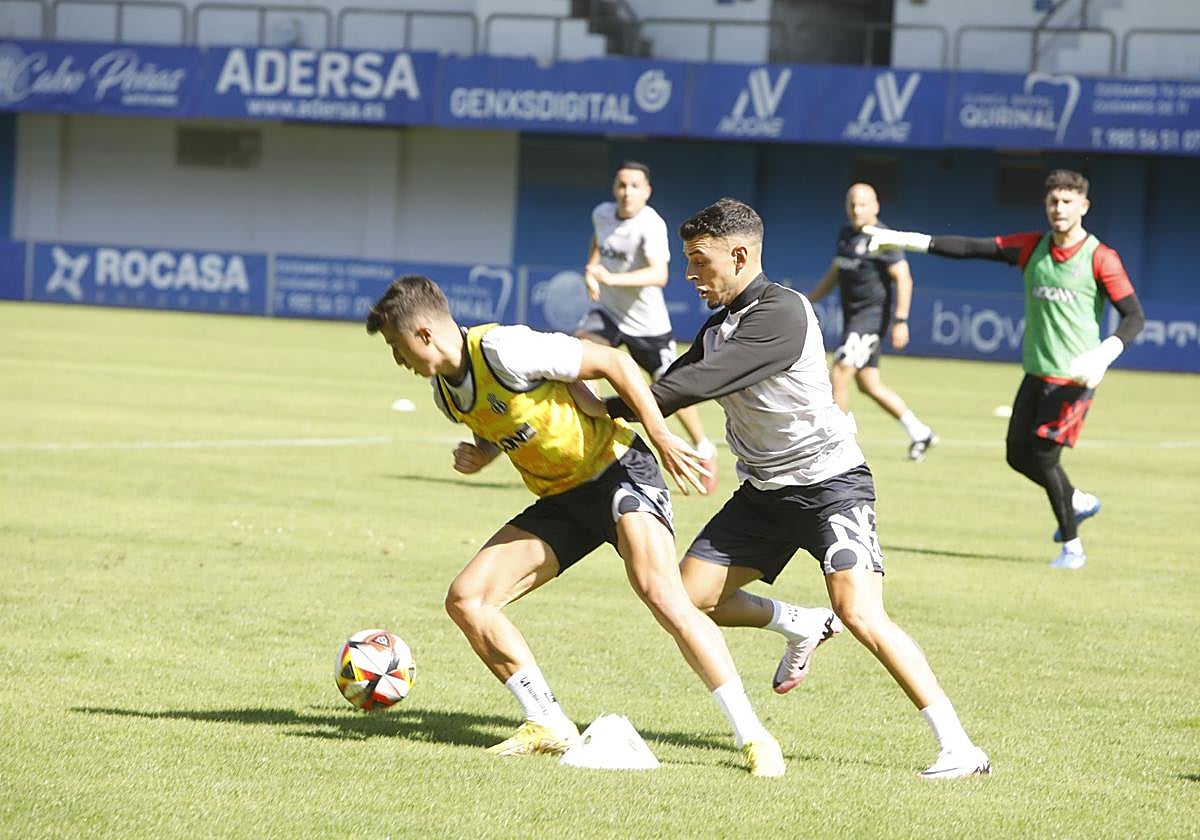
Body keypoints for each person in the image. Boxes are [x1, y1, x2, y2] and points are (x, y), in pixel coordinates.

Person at [604, 198, 991, 780]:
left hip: (831, 484)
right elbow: (673, 382)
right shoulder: (717, 327)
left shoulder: (783, 313)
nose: (690, 275)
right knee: (687, 596)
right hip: (763, 494)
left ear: (739, 255)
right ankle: (799, 623)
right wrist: (599, 405)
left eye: (698, 261)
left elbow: (693, 387)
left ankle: (960, 748)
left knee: (859, 611)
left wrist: (592, 397)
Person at [366, 274, 797, 777]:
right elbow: (505, 424)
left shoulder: (505, 349)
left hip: (618, 472)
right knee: (468, 599)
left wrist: (659, 434)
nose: (399, 361)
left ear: (423, 334)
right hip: (561, 500)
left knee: (661, 592)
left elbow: (612, 361)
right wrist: (482, 454)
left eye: (397, 348)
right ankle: (547, 722)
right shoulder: (447, 395)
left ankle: (754, 736)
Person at [864, 169, 1145, 571]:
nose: (1059, 208)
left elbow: (1134, 316)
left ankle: (1072, 547)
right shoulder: (1033, 247)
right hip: (1036, 372)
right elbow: (968, 248)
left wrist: (1104, 354)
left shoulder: (1101, 258)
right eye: (1053, 201)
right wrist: (904, 240)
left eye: (1068, 201)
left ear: (1084, 206)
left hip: (1073, 380)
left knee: (1045, 459)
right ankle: (1077, 500)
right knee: (1017, 455)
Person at [578, 161, 719, 493]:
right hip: (608, 314)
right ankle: (592, 442)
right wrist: (591, 269)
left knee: (670, 389)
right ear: (614, 189)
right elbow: (597, 246)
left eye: (635, 186)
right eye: (622, 185)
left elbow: (660, 275)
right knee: (581, 356)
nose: (627, 192)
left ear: (647, 191)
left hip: (647, 324)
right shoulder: (601, 213)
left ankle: (702, 445)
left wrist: (612, 278)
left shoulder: (651, 225)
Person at [808, 183, 938, 460]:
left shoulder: (883, 238)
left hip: (870, 318)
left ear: (876, 206)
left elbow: (904, 277)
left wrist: (900, 320)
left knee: (840, 371)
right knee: (869, 384)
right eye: (852, 203)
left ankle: (838, 445)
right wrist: (808, 300)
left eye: (863, 204)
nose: (857, 209)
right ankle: (920, 432)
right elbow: (835, 271)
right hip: (853, 319)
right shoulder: (846, 234)